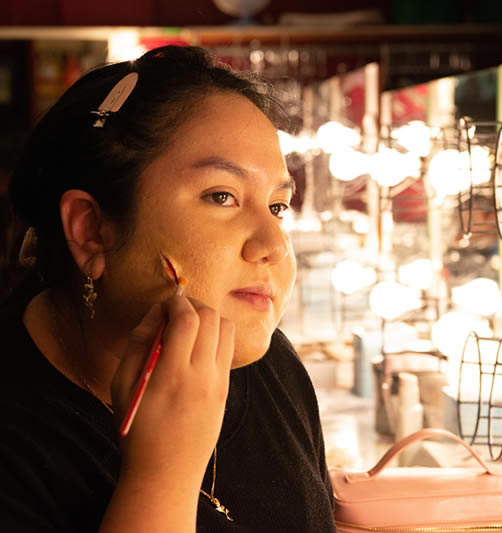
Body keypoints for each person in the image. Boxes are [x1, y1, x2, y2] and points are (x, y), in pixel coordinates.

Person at [0, 45, 336, 532]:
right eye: (222, 196)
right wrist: (162, 478)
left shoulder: (270, 366)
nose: (273, 246)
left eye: (278, 206)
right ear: (91, 230)